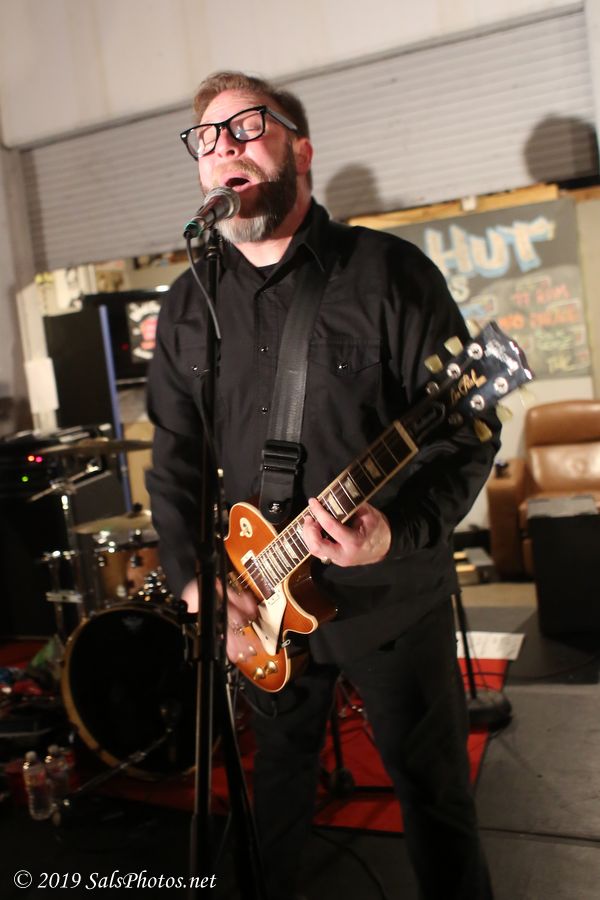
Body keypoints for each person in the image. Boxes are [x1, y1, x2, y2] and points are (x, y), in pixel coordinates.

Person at [146, 70, 498, 900]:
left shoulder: (389, 274)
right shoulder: (190, 303)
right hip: (259, 600)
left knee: (436, 804)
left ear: (300, 150)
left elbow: (467, 431)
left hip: (390, 602)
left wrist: (393, 531)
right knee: (270, 806)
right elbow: (175, 458)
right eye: (208, 139)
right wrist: (197, 582)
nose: (224, 147)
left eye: (247, 127)